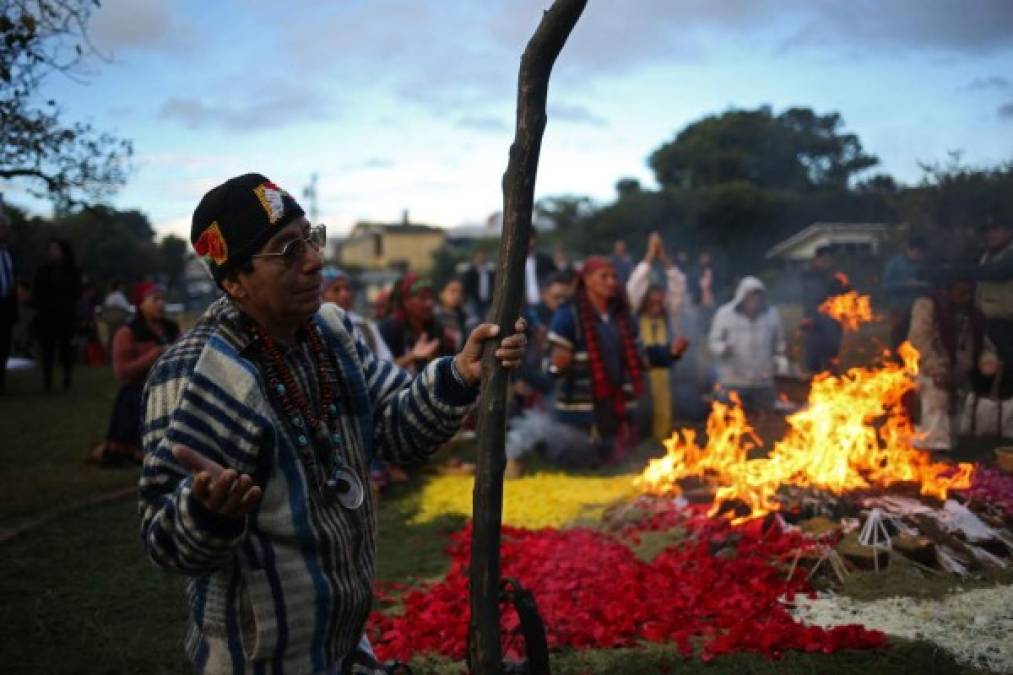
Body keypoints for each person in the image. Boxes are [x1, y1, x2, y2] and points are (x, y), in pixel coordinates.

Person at [138, 173, 526, 675]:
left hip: (344, 645)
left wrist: (459, 375)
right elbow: (164, 542)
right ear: (234, 280)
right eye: (286, 250)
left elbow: (396, 430)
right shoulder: (192, 375)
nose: (315, 259)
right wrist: (207, 512)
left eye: (310, 238)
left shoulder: (332, 332)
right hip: (257, 657)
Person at [546, 256, 659, 465]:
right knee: (579, 459)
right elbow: (550, 366)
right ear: (587, 280)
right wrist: (556, 366)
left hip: (616, 401)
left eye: (614, 277)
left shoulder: (623, 316)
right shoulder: (568, 314)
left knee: (618, 462)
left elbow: (639, 357)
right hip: (581, 407)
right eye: (604, 276)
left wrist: (669, 353)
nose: (612, 282)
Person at [92, 282, 180, 465]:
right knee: (132, 396)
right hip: (141, 389)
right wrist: (155, 354)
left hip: (172, 386)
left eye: (162, 299)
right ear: (141, 303)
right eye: (155, 299)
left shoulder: (172, 329)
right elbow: (122, 372)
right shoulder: (128, 333)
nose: (161, 304)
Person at [908, 274, 998, 451]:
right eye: (961, 293)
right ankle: (935, 446)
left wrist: (988, 360)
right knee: (937, 397)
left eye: (969, 293)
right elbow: (919, 341)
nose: (967, 298)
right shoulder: (928, 306)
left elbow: (985, 345)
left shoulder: (973, 315)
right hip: (928, 372)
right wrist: (937, 370)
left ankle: (951, 441)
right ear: (947, 291)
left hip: (960, 376)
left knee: (960, 417)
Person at [627, 232, 689, 442]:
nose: (656, 306)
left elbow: (678, 285)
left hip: (664, 375)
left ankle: (660, 441)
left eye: (659, 302)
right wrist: (649, 256)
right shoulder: (632, 316)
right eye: (651, 302)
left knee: (665, 404)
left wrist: (663, 258)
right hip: (638, 373)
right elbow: (634, 286)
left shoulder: (670, 316)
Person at [708, 276, 787, 413]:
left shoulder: (771, 315)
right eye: (751, 298)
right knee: (732, 422)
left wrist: (779, 361)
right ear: (742, 297)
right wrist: (723, 349)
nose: (755, 302)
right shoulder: (725, 314)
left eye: (759, 298)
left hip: (763, 381)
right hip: (732, 381)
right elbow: (714, 341)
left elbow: (780, 343)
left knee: (764, 422)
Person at [32, 239, 83, 391]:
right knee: (47, 349)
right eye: (51, 249)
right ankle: (47, 380)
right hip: (47, 316)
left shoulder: (73, 271)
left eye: (56, 249)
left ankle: (66, 377)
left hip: (65, 315)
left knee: (65, 348)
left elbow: (77, 292)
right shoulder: (43, 270)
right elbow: (37, 292)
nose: (52, 252)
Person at [971, 219, 1013, 398]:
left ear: (1009, 232)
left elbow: (997, 273)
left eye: (996, 230)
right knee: (984, 373)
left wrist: (957, 270)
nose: (991, 235)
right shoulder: (986, 256)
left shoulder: (1009, 256)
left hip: (1007, 323)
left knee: (1007, 373)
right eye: (988, 231)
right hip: (983, 322)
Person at [378, 272, 451, 372]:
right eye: (422, 298)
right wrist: (412, 357)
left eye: (431, 297)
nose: (429, 303)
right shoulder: (389, 328)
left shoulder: (436, 327)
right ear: (406, 301)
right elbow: (380, 371)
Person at [320, 266, 392, 363]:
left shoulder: (365, 326)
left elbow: (386, 361)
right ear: (322, 295)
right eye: (336, 290)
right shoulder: (317, 328)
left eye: (347, 288)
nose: (344, 294)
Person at [801, 246, 848, 374]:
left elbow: (846, 296)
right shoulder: (809, 276)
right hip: (814, 325)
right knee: (813, 361)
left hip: (833, 325)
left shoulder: (837, 278)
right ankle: (814, 384)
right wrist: (808, 318)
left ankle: (831, 383)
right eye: (823, 259)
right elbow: (810, 299)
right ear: (816, 259)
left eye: (829, 259)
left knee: (832, 360)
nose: (826, 262)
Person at [882, 236, 929, 349]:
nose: (920, 256)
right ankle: (896, 363)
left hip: (919, 310)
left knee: (918, 339)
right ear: (911, 250)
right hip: (899, 309)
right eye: (918, 253)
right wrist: (905, 285)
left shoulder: (924, 265)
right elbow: (886, 286)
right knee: (898, 339)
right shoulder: (895, 264)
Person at [0, 201, 17, 395]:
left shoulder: (8, 254)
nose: (5, 232)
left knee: (4, 345)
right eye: (2, 228)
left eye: (6, 228)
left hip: (6, 307)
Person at [435, 277, 468, 351]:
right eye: (453, 291)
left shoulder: (466, 319)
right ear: (441, 294)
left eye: (461, 292)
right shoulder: (434, 318)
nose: (457, 296)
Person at [461, 249, 494, 322]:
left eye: (483, 257)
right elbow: (466, 286)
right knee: (476, 320)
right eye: (479, 257)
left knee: (487, 320)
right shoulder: (470, 272)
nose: (481, 259)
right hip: (475, 301)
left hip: (488, 301)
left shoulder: (491, 272)